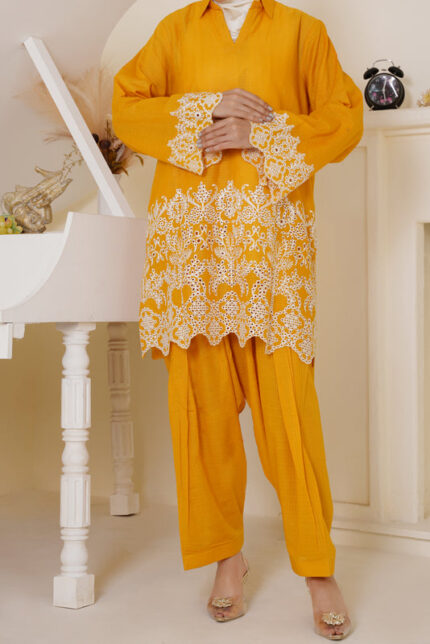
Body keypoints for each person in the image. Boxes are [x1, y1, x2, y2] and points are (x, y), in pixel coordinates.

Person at [112, 0, 363, 639]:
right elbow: (127, 107)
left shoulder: (303, 31)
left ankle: (318, 568)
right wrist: (207, 109)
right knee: (203, 411)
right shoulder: (173, 31)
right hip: (191, 248)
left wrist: (261, 135)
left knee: (289, 410)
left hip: (269, 249)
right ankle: (227, 559)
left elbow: (344, 116)